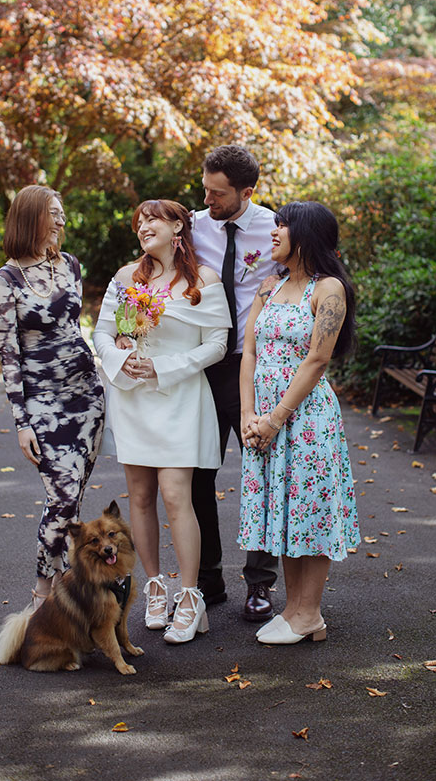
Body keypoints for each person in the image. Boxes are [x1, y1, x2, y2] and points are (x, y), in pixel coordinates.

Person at [93, 200, 230, 645]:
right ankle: (155, 587)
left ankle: (191, 599)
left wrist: (165, 368)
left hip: (180, 396)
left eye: (152, 220)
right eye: (138, 222)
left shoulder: (203, 281)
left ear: (177, 226)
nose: (143, 227)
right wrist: (122, 357)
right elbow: (103, 333)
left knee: (176, 495)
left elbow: (217, 344)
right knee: (139, 495)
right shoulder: (125, 278)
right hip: (134, 398)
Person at [238, 200, 361, 645]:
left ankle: (309, 612)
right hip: (266, 417)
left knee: (310, 511)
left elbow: (317, 359)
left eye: (283, 225)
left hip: (305, 418)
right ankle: (294, 610)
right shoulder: (269, 286)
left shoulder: (328, 289)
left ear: (306, 234)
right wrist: (248, 414)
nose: (274, 232)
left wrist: (275, 418)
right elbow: (249, 351)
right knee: (286, 514)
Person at [0, 186, 105, 610]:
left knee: (71, 498)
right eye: (53, 214)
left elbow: (76, 328)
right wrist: (22, 422)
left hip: (87, 397)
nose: (61, 221)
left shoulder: (69, 265)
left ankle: (66, 594)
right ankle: (42, 593)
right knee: (61, 497)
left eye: (62, 213)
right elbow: (9, 358)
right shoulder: (4, 282)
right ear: (31, 217)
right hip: (43, 403)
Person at [191, 145, 279, 621]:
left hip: (254, 369)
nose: (207, 199)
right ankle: (207, 580)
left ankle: (260, 585)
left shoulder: (276, 228)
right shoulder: (192, 224)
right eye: (204, 188)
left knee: (259, 475)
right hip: (202, 367)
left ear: (247, 192)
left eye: (218, 193)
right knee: (195, 476)